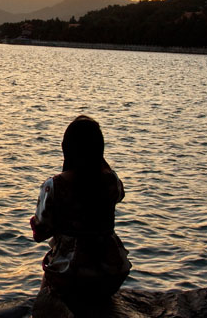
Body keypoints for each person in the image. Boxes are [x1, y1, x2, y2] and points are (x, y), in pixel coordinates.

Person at [29, 115, 131, 306]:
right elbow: (120, 195)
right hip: (111, 274)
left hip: (71, 276)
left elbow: (40, 233)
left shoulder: (54, 186)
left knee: (49, 276)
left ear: (65, 148)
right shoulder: (111, 181)